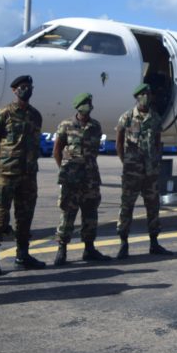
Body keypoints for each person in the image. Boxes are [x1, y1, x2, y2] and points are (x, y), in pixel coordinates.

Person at [0, 75, 46, 275]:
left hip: (28, 174)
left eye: (29, 86)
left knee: (25, 217)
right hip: (5, 174)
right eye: (22, 87)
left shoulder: (35, 115)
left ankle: (23, 255)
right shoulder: (4, 114)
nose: (26, 90)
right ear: (14, 90)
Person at [52, 93, 111, 265]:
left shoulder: (95, 126)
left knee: (90, 213)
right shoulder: (66, 125)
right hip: (71, 179)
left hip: (90, 178)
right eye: (85, 104)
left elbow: (94, 152)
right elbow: (57, 150)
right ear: (78, 107)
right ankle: (62, 250)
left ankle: (89, 249)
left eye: (89, 104)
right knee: (68, 213)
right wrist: (64, 170)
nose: (88, 107)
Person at [116, 83, 170, 258]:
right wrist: (126, 162)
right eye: (143, 94)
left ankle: (154, 243)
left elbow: (157, 142)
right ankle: (123, 243)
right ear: (137, 97)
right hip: (132, 170)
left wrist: (155, 161)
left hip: (150, 172)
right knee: (127, 206)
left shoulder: (155, 118)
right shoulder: (127, 117)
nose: (146, 97)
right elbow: (119, 142)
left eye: (148, 94)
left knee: (153, 206)